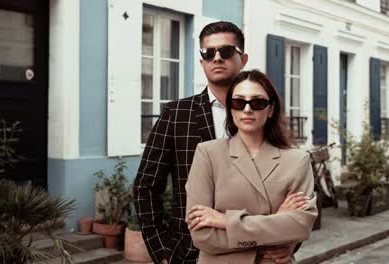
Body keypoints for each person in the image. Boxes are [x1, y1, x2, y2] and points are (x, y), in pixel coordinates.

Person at [133, 21, 306, 264]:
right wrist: (162, 252)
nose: (217, 58)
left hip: (264, 255)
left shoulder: (263, 113)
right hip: (190, 253)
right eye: (208, 52)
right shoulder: (176, 114)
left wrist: (288, 243)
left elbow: (292, 195)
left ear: (243, 58)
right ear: (201, 61)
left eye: (226, 51)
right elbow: (146, 186)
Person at [186, 70, 318, 264]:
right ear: (230, 108)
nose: (247, 110)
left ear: (270, 109)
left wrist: (225, 221)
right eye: (239, 102)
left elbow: (300, 226)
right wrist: (276, 225)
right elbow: (202, 236)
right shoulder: (208, 154)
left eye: (257, 103)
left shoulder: (297, 161)